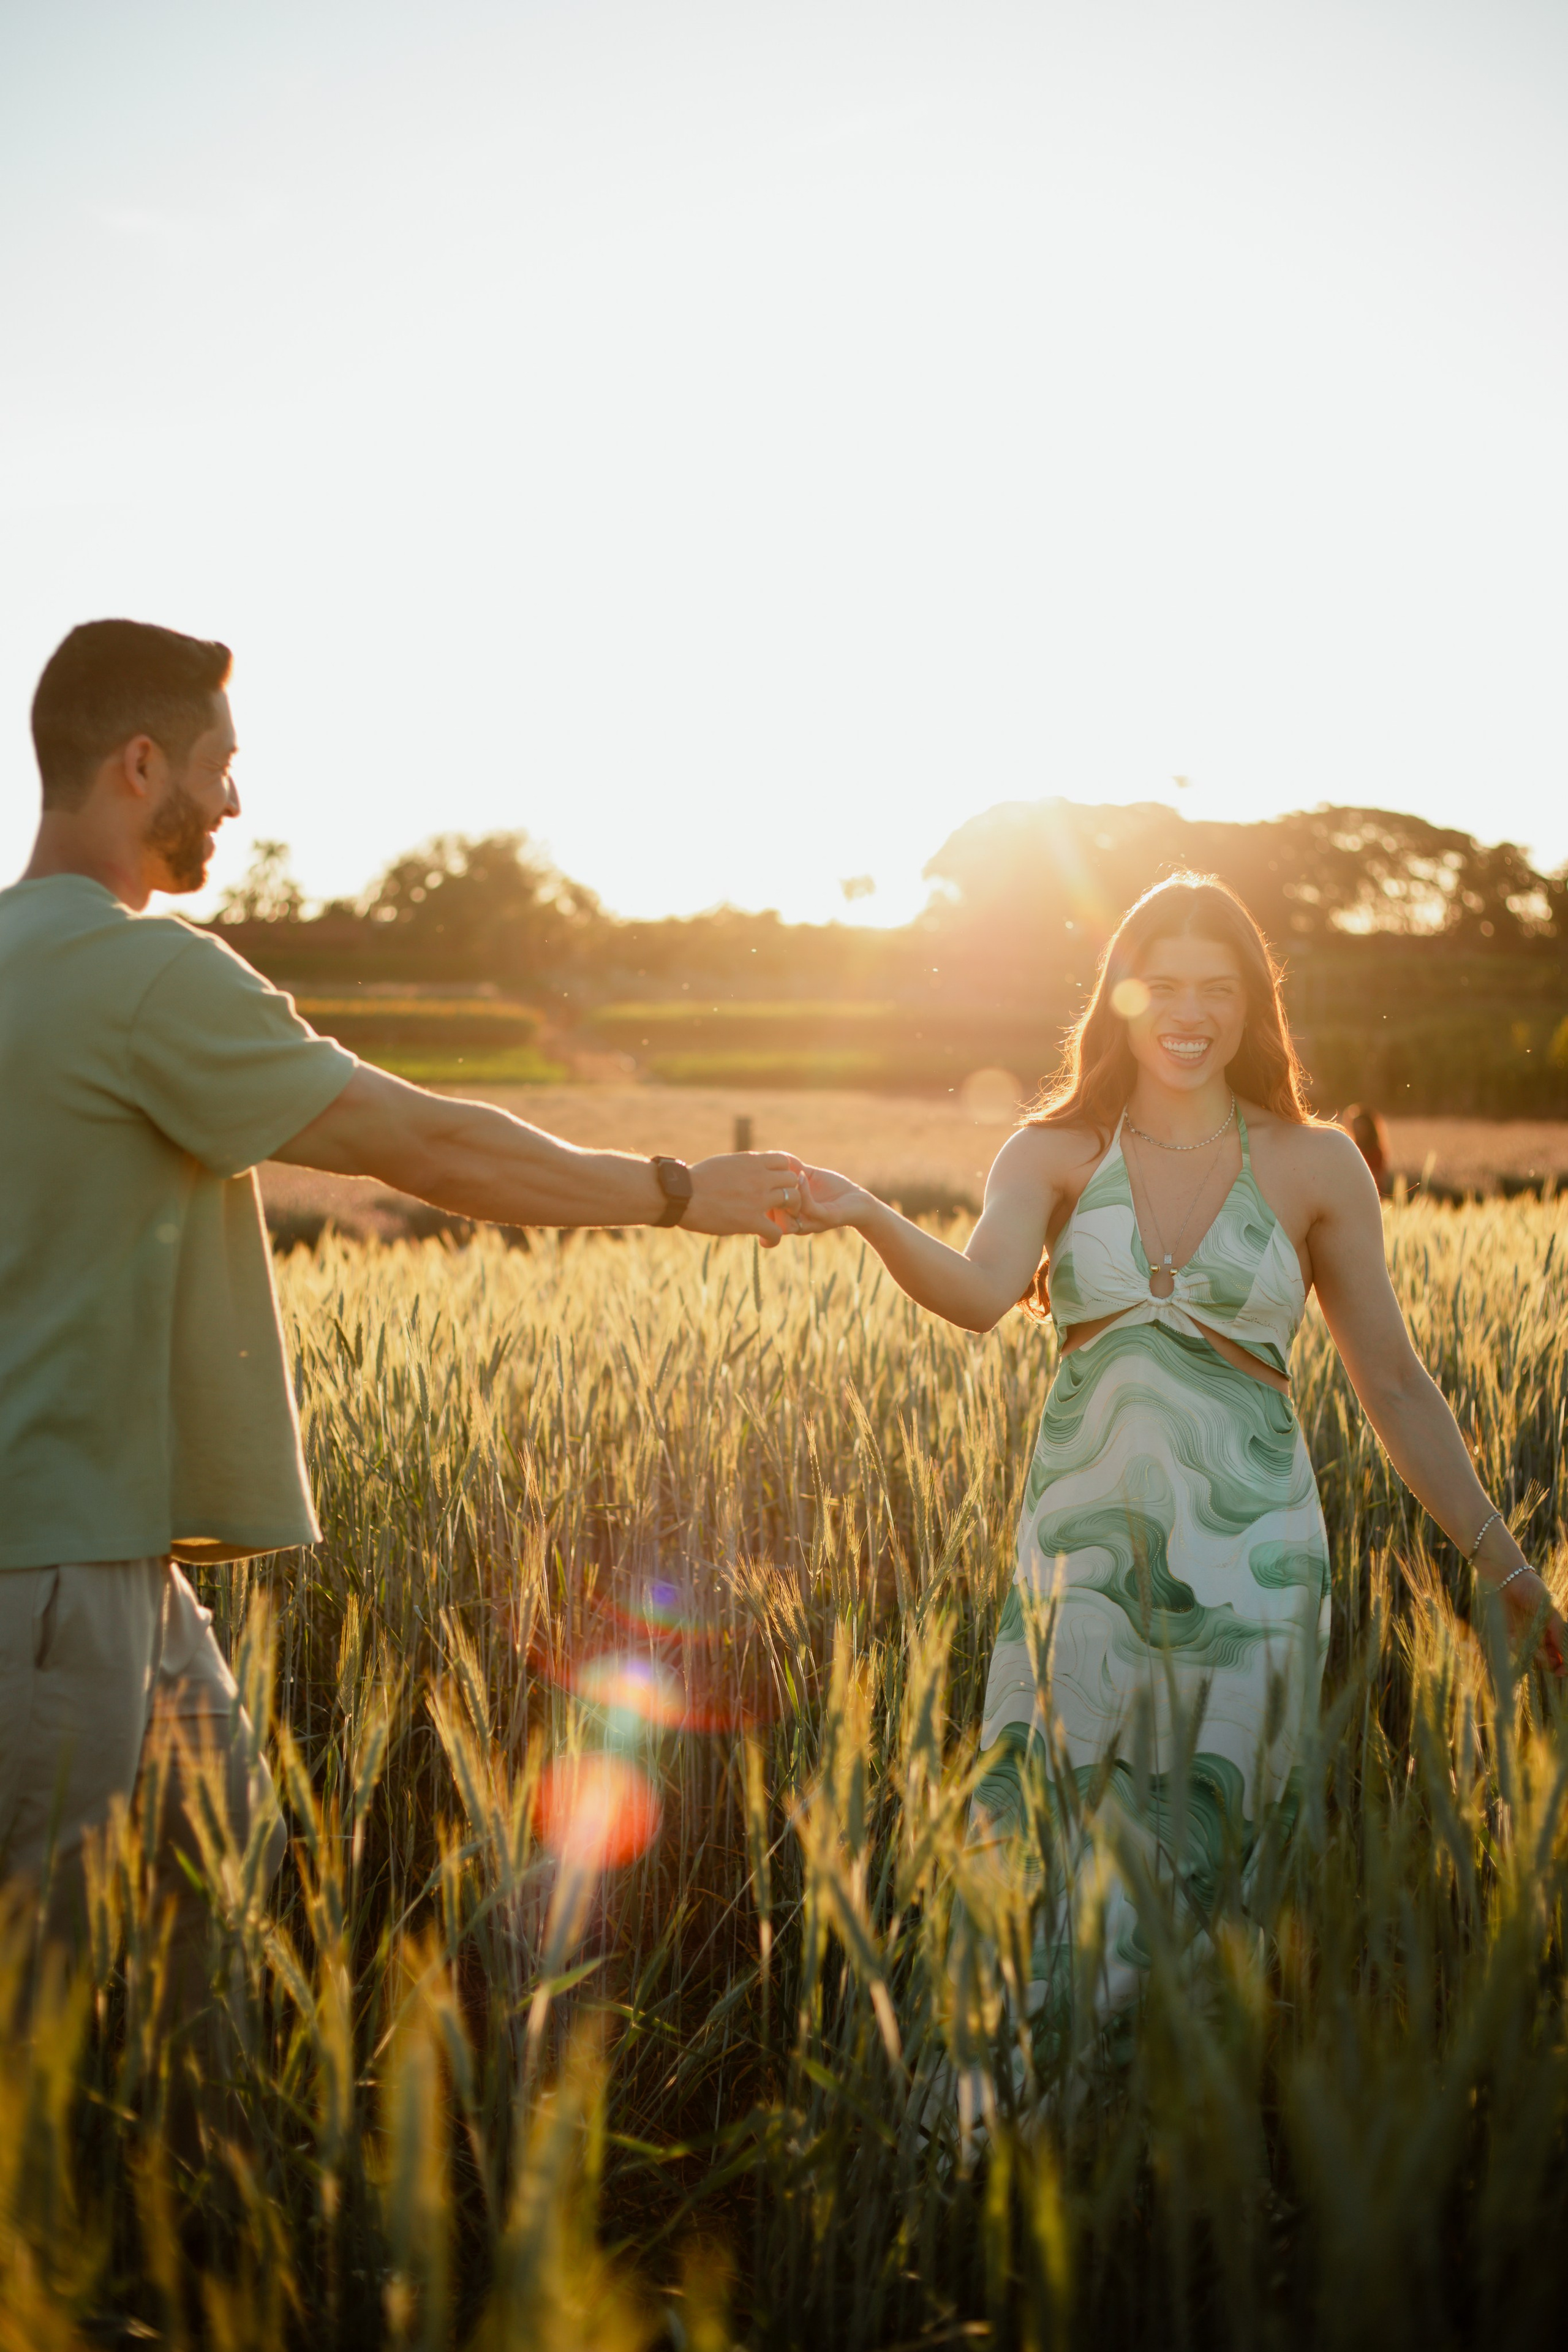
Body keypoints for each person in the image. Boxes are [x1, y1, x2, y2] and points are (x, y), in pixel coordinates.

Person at [0, 617, 805, 1961]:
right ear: (140, 766)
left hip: (117, 1561)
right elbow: (422, 1143)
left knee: (219, 1881)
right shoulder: (141, 971)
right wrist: (677, 1190)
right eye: (219, 763)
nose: (235, 799)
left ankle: (209, 2112)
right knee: (45, 1988)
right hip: (52, 1575)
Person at [793, 873, 1564, 2038]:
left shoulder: (1316, 1164)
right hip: (1079, 1561)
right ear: (1120, 995)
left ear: (1255, 1005)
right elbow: (979, 1292)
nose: (1190, 1013)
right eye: (1164, 986)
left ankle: (1174, 2121)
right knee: (1043, 1832)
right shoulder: (1052, 1152)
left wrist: (1504, 1564)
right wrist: (864, 1210)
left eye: (1220, 989)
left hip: (1254, 1565)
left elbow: (1397, 1386)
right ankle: (1016, 2109)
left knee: (1207, 1849)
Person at [1343, 1101, 1392, 1196]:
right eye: (1356, 1126)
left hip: (1372, 1194)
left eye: (1361, 1126)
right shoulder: (1351, 1148)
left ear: (1369, 1128)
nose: (1358, 1130)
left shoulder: (1376, 1151)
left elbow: (1378, 1178)